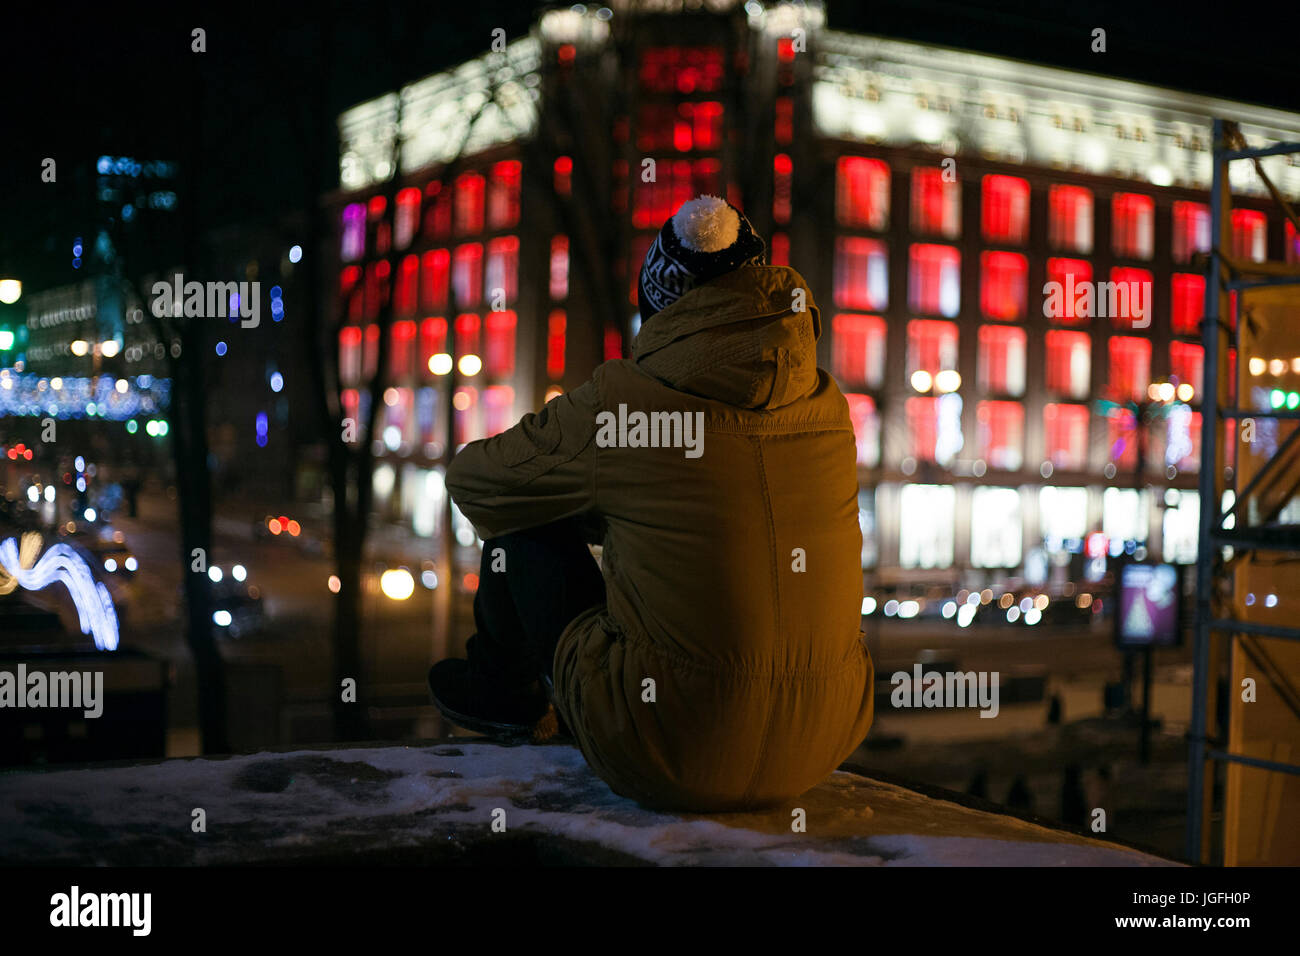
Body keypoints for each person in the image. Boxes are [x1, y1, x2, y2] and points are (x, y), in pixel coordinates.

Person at [431, 195, 874, 811]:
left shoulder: (624, 403)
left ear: (659, 312)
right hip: (825, 736)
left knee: (523, 525)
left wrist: (600, 504)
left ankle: (501, 697)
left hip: (665, 741)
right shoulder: (829, 409)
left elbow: (479, 482)